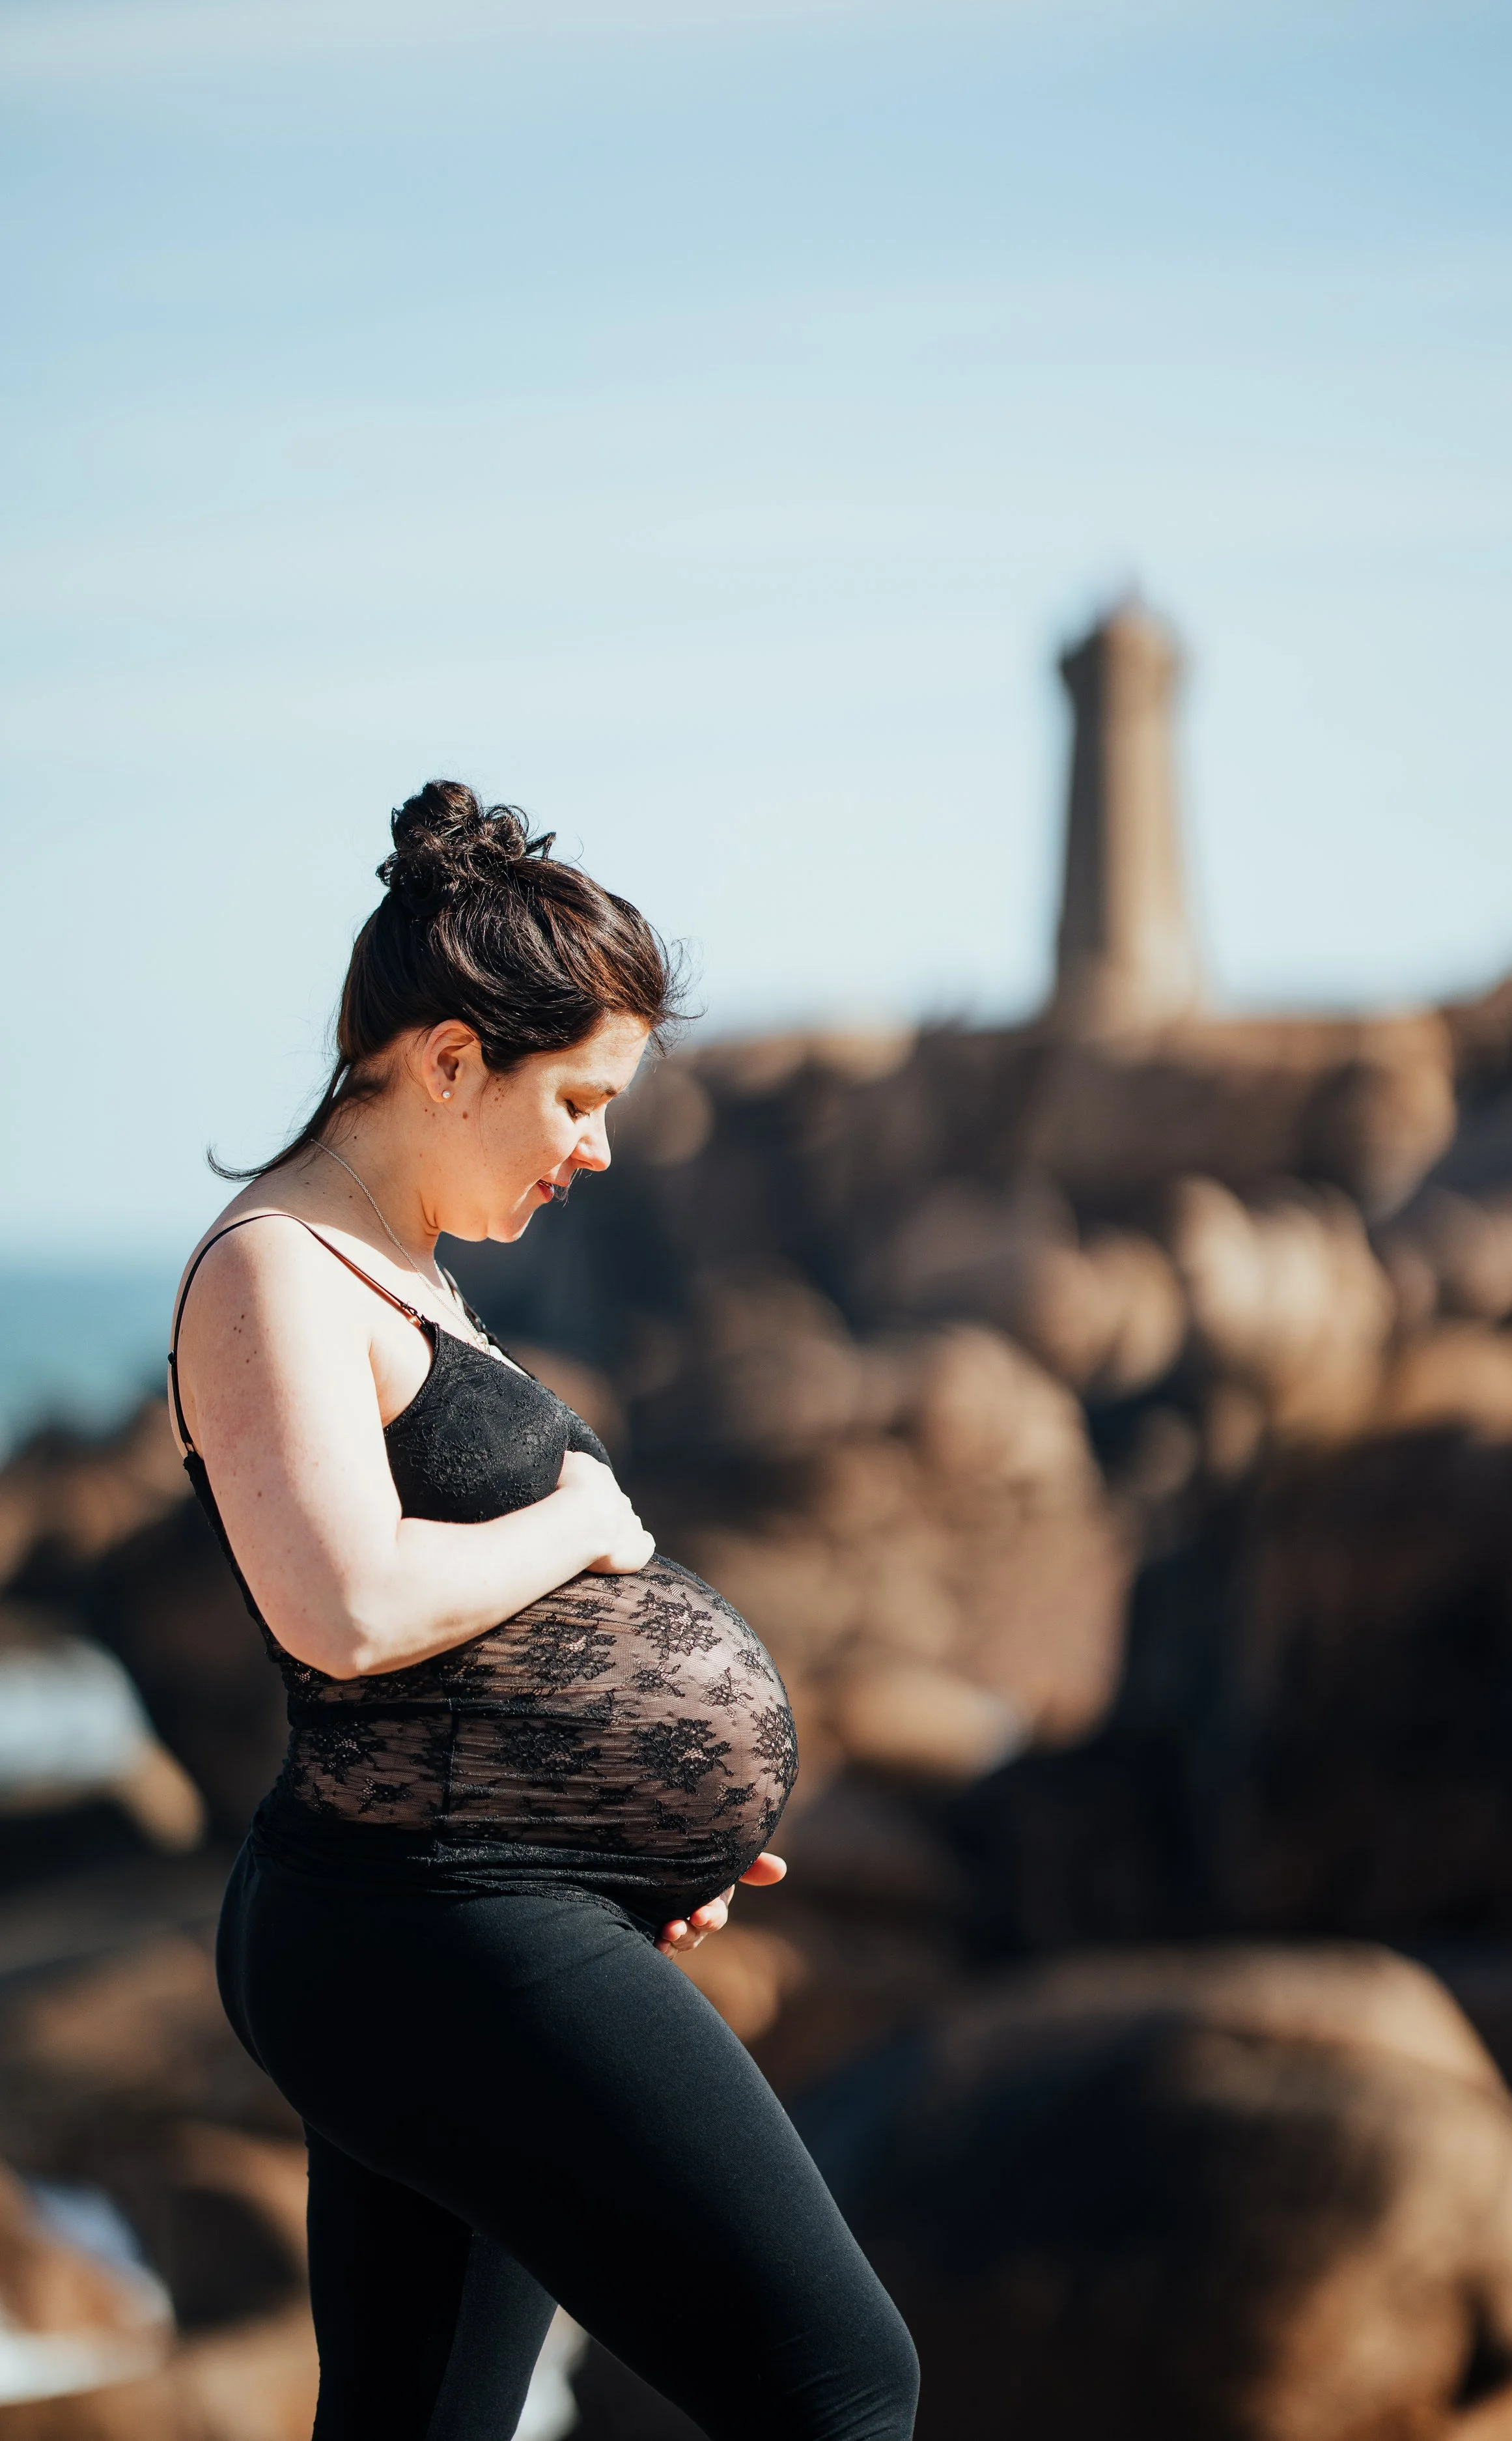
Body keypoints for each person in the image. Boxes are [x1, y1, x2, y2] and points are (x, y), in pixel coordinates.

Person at [169, 783, 919, 2441]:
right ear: (447, 1060)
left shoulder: (404, 1270)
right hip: (412, 1919)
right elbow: (345, 1608)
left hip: (479, 1897)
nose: (593, 1145)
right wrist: (579, 1517)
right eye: (576, 1097)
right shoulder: (273, 1270)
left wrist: (623, 1821)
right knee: (844, 2383)